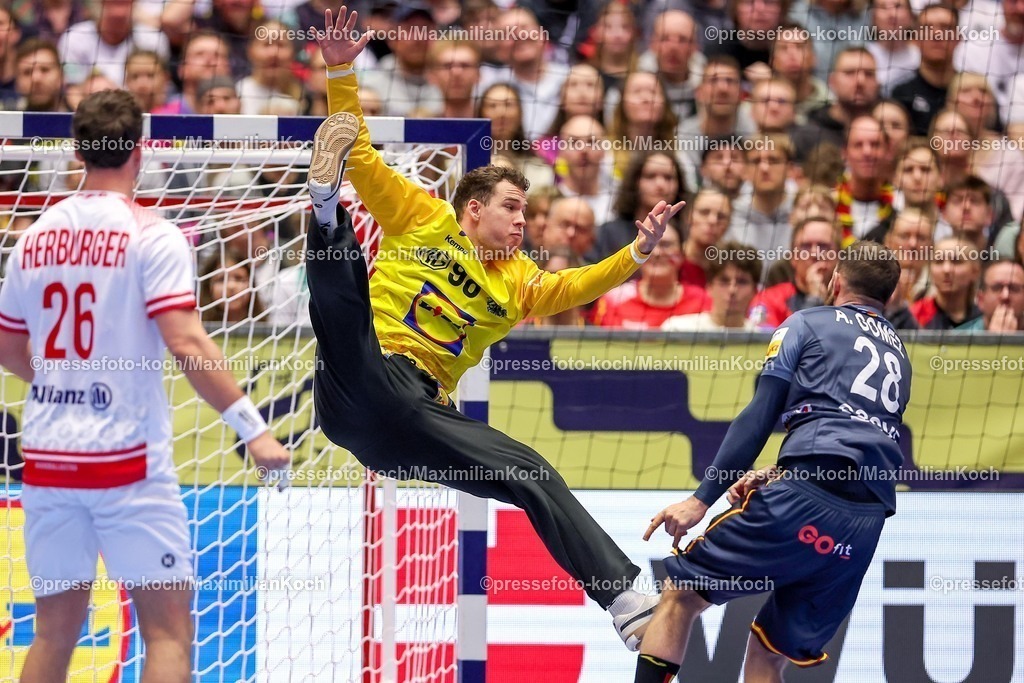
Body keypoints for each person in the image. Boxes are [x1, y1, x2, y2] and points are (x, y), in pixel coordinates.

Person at [305, 7, 681, 650]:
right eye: (512, 208)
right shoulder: (422, 217)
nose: (522, 223)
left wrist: (637, 254)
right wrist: (341, 68)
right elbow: (361, 151)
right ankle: (323, 208)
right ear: (472, 209)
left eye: (528, 212)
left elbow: (579, 284)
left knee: (530, 472)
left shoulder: (519, 282)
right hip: (364, 375)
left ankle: (623, 600)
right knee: (344, 300)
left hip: (410, 425)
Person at [0, 90, 290, 682]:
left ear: (78, 151)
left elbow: (7, 345)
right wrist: (254, 430)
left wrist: (64, 379)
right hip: (125, 464)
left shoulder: (33, 238)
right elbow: (186, 342)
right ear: (142, 150)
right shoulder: (152, 235)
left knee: (54, 631)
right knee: (168, 632)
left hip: (50, 460)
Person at [636, 240, 912, 682]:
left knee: (682, 594)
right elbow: (855, 437)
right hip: (864, 523)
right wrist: (779, 472)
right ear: (890, 297)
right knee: (768, 654)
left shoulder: (806, 322)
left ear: (835, 280)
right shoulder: (898, 352)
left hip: (803, 502)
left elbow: (760, 415)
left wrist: (701, 499)